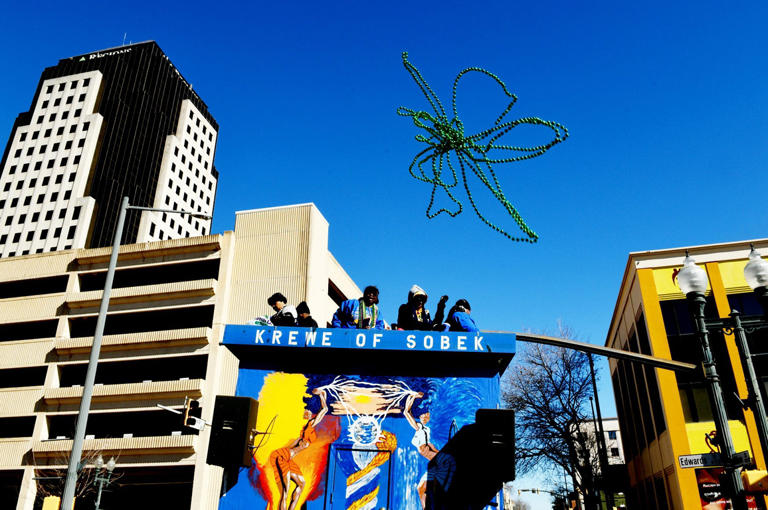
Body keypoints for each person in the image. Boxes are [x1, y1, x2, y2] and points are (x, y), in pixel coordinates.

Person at [269, 388, 328, 510]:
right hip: (282, 456)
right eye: (306, 410)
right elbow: (324, 410)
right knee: (285, 490)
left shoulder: (308, 426)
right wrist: (322, 394)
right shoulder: (302, 426)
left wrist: (323, 395)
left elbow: (325, 410)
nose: (307, 412)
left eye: (309, 411)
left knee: (302, 484)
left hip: (288, 459)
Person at [404, 391, 439, 508]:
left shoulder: (426, 430)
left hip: (433, 458)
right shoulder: (418, 427)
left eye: (426, 415)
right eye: (422, 416)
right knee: (421, 488)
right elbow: (406, 412)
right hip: (432, 459)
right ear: (419, 417)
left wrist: (441, 454)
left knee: (423, 488)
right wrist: (412, 396)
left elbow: (431, 446)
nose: (424, 417)